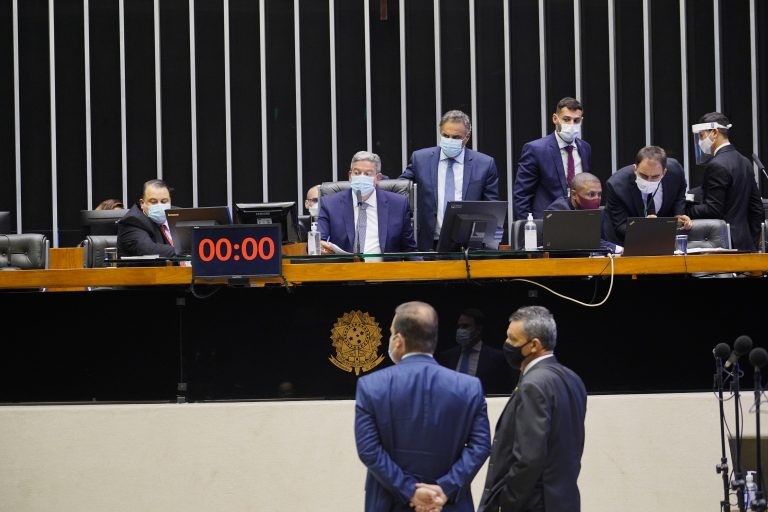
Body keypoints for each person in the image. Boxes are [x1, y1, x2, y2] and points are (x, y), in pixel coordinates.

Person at [355, 301, 491, 512]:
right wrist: (445, 488)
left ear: (398, 340)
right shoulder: (469, 387)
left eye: (391, 333)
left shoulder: (371, 386)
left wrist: (410, 491)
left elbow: (369, 450)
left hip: (389, 503)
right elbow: (480, 446)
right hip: (448, 505)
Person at [478, 305, 587, 512]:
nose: (507, 345)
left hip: (533, 504)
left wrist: (507, 501)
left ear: (534, 345)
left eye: (513, 339)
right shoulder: (573, 379)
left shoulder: (533, 385)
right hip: (565, 500)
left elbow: (529, 458)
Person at [399, 110, 500, 251]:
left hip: (468, 246)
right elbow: (400, 188)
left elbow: (492, 208)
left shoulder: (484, 164)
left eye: (456, 137)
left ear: (467, 137)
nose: (450, 140)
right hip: (428, 244)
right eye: (446, 135)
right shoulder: (420, 159)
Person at [686, 112, 763, 251]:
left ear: (714, 132)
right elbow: (756, 208)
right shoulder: (744, 161)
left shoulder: (716, 164)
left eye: (702, 135)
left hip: (723, 243)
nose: (699, 141)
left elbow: (713, 209)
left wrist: (685, 210)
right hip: (745, 243)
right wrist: (752, 240)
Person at [318, 151, 417, 257]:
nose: (361, 177)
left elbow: (410, 250)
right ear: (350, 176)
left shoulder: (398, 205)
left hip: (384, 271)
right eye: (357, 173)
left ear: (378, 178)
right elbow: (317, 242)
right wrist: (319, 246)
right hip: (344, 270)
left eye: (367, 174)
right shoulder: (330, 204)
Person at [513, 97, 592, 221]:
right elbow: (522, 195)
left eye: (576, 120)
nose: (572, 125)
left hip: (579, 220)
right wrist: (530, 229)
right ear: (555, 119)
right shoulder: (536, 149)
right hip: (546, 221)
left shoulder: (585, 148)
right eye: (566, 119)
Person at [603, 145, 692, 245]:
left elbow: (680, 192)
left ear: (664, 172)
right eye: (643, 175)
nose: (648, 181)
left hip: (665, 241)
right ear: (635, 168)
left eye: (655, 177)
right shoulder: (616, 185)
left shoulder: (675, 170)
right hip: (628, 242)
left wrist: (678, 215)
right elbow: (621, 226)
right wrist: (645, 226)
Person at [436, 308, 515, 395]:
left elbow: (502, 390)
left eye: (465, 326)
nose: (460, 330)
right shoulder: (447, 357)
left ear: (478, 330)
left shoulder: (497, 358)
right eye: (459, 326)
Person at [545, 172, 622, 253]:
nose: (597, 199)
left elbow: (601, 240)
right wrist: (618, 249)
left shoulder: (597, 212)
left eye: (599, 194)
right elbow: (579, 241)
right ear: (574, 194)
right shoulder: (558, 210)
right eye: (591, 194)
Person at [116, 179, 177, 258]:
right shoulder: (132, 221)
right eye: (153, 202)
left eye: (164, 201)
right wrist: (187, 251)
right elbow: (148, 250)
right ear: (142, 203)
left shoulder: (177, 214)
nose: (160, 206)